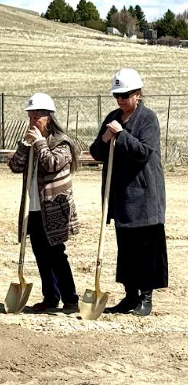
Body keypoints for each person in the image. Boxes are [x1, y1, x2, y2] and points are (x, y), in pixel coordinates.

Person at [90, 68, 167, 316]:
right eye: (118, 95)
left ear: (138, 94)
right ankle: (129, 295)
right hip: (120, 194)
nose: (121, 99)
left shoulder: (148, 120)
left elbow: (144, 152)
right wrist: (105, 137)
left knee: (146, 248)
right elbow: (96, 153)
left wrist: (121, 135)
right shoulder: (113, 117)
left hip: (145, 195)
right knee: (126, 249)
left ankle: (146, 297)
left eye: (126, 94)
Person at [8, 92, 80, 312]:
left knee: (57, 253)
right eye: (30, 115)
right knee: (40, 253)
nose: (33, 120)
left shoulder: (61, 142)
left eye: (37, 115)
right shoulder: (32, 142)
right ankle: (51, 296)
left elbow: (51, 163)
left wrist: (39, 143)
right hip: (34, 206)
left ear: (49, 117)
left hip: (54, 207)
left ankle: (71, 299)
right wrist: (24, 144)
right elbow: (15, 166)